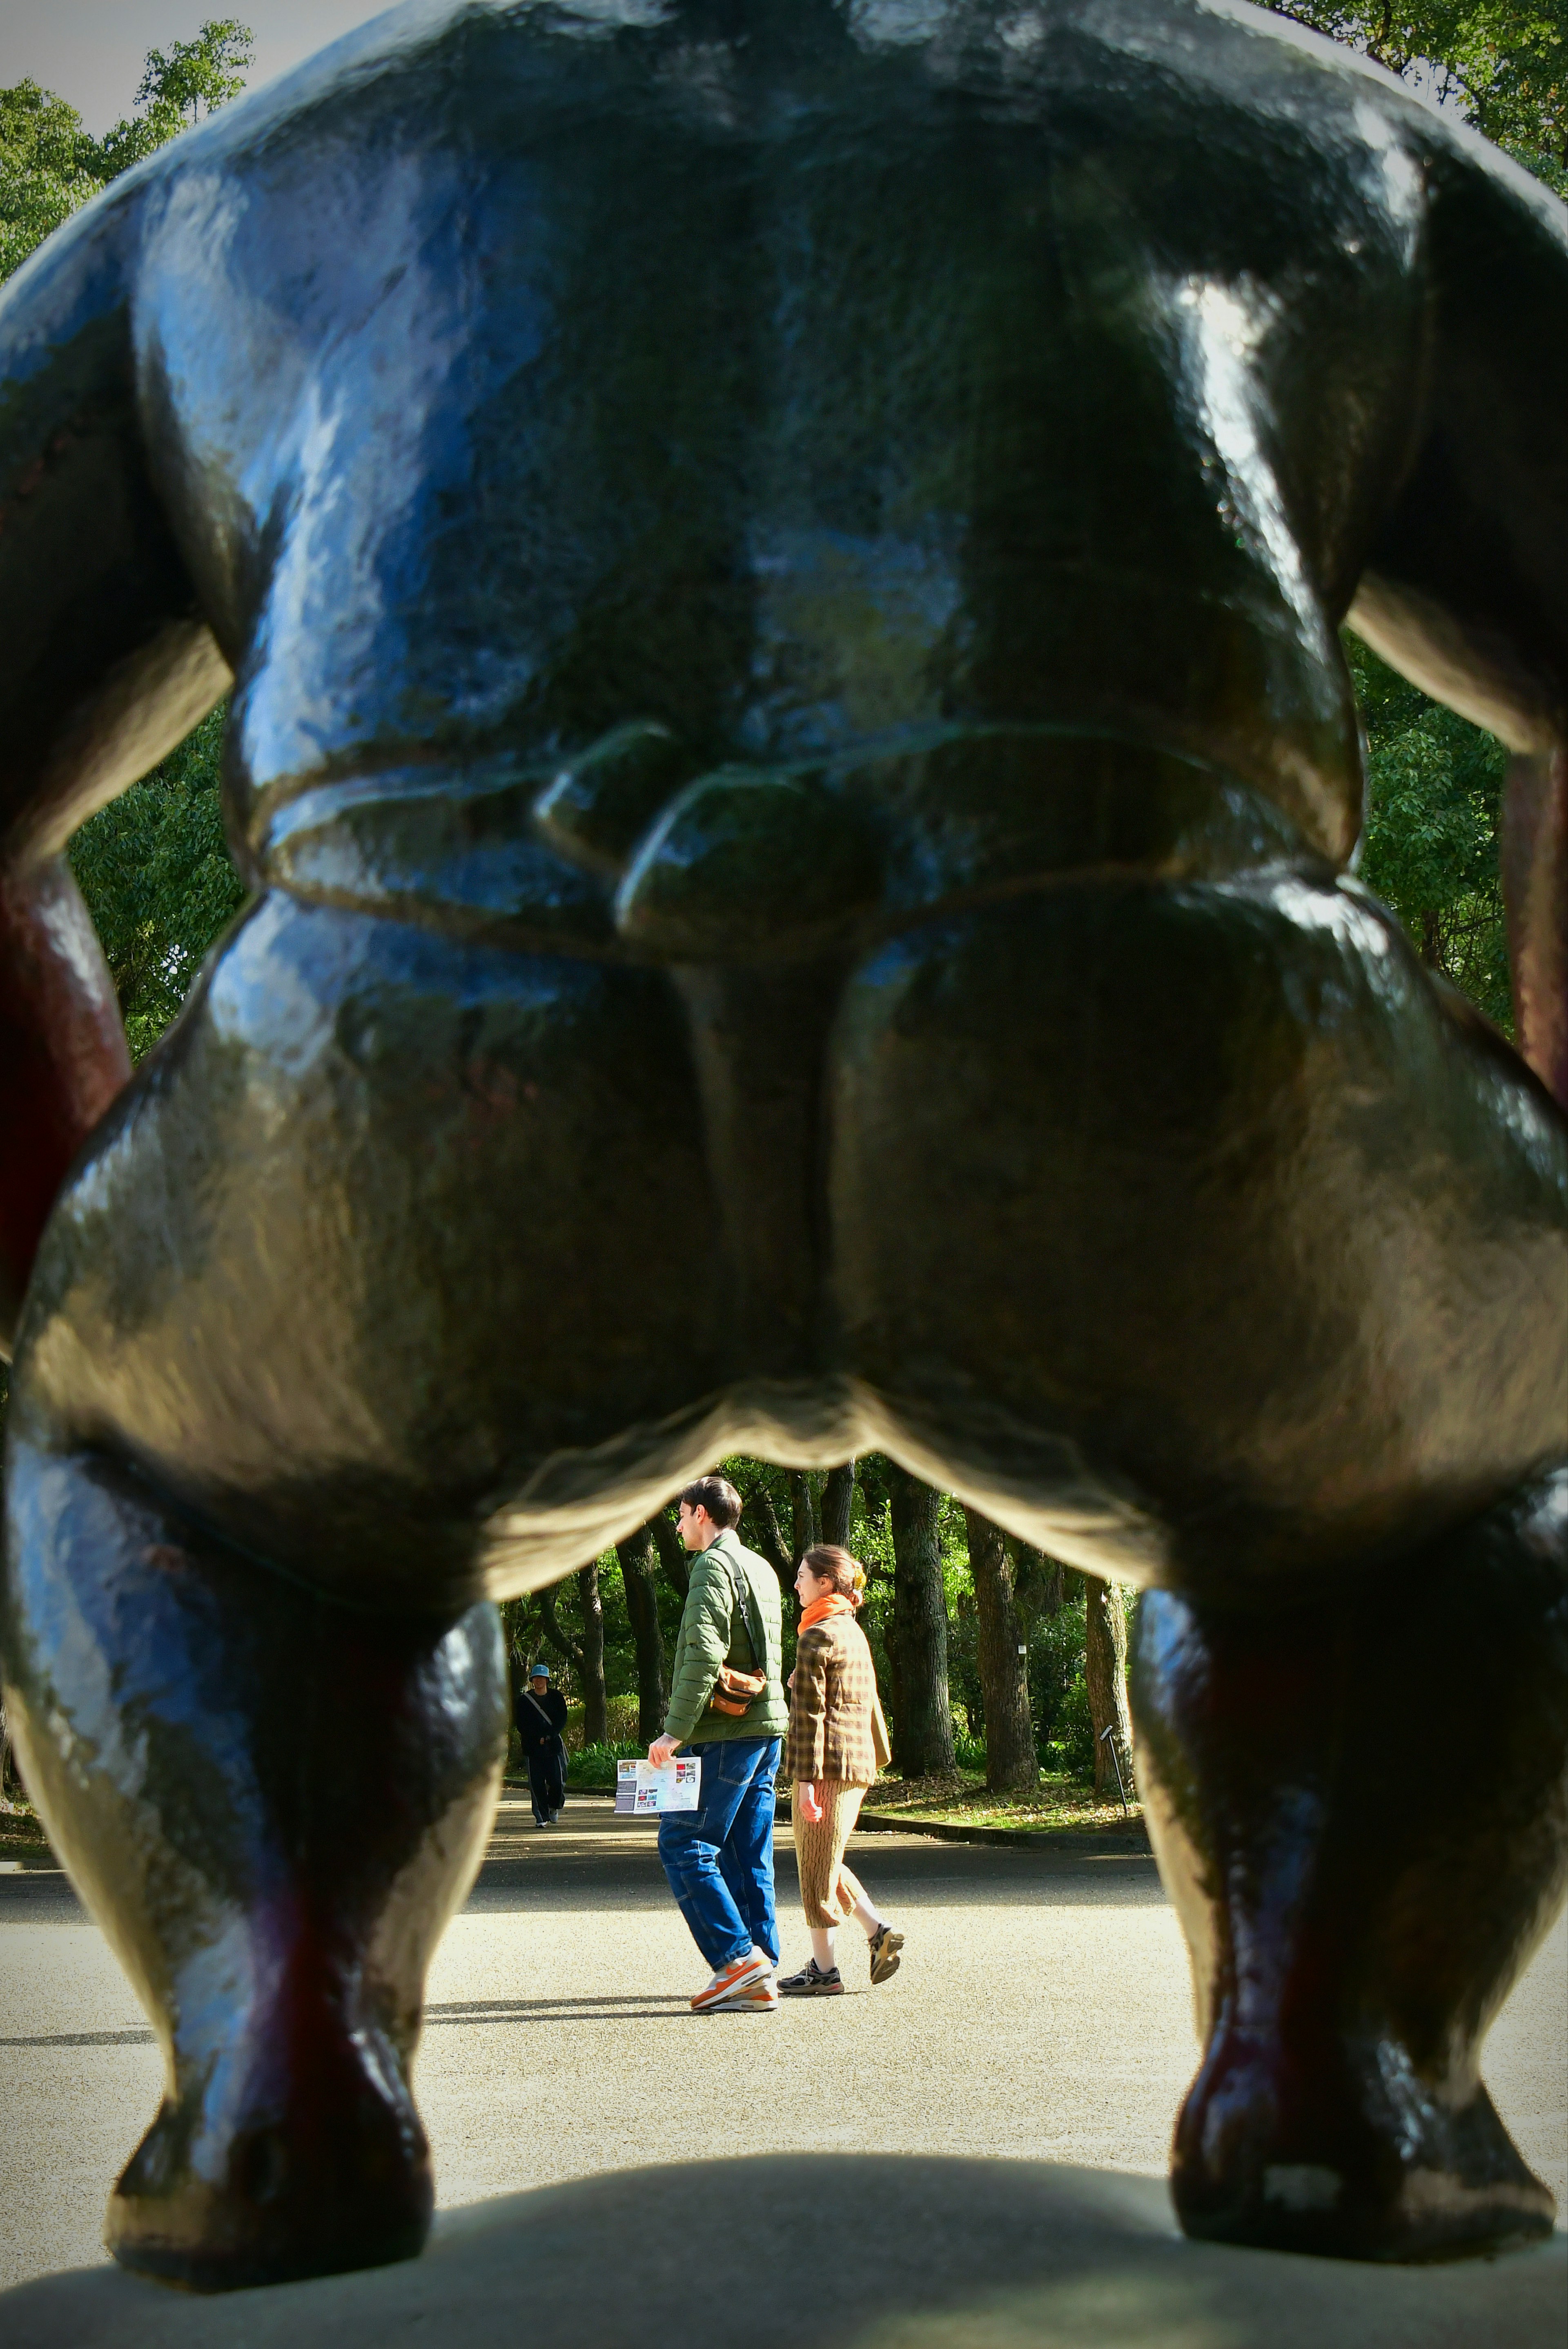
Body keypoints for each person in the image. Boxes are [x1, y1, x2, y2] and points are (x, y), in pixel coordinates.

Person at [647, 1475, 788, 2013]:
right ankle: (763, 1963)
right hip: (765, 1726)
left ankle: (736, 1962)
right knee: (746, 1850)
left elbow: (704, 1656)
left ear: (701, 1514)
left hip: (726, 1733)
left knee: (684, 1843)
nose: (678, 1525)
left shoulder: (711, 1566)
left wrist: (674, 1732)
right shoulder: (760, 1565)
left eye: (680, 1515)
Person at [778, 1546, 902, 1998]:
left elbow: (811, 1716)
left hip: (825, 1767)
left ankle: (824, 1971)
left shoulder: (816, 1636)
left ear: (827, 1582)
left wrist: (806, 1782)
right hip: (856, 1763)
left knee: (814, 1867)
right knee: (827, 1860)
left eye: (802, 1576)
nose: (797, 1584)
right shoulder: (850, 1629)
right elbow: (864, 1700)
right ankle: (877, 1931)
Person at [515, 1661, 568, 1829]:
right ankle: (541, 1816)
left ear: (547, 1680)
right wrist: (536, 1737)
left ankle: (554, 1806)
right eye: (536, 1678)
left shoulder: (557, 1697)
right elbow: (521, 1724)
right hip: (533, 1749)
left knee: (558, 1782)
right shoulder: (524, 1701)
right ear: (532, 1680)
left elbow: (562, 1719)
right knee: (537, 1784)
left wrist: (550, 1735)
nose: (539, 1681)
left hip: (553, 1747)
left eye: (542, 1678)